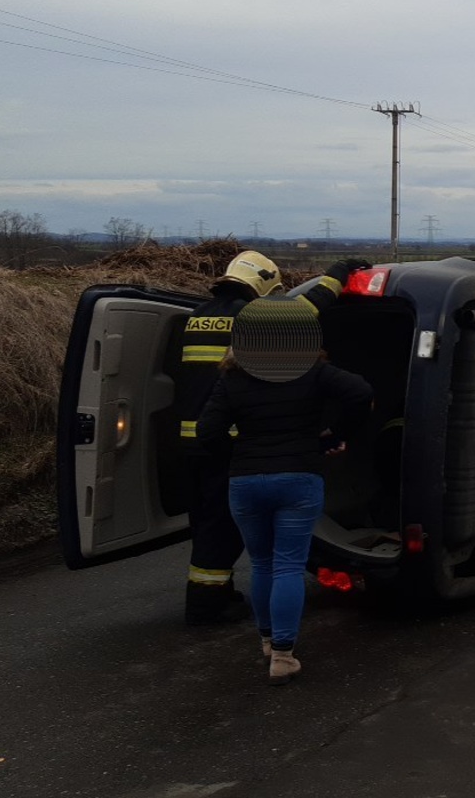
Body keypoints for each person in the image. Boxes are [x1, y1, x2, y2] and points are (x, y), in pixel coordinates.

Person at [176, 250, 369, 625]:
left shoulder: (198, 316)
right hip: (229, 440)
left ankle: (215, 592)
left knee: (205, 520)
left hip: (194, 439)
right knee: (223, 528)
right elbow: (310, 306)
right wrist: (340, 271)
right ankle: (204, 607)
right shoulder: (251, 319)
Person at [196, 295, 372, 685]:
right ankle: (283, 655)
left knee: (260, 563)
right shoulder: (312, 371)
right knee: (289, 564)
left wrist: (239, 455)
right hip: (298, 478)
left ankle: (265, 642)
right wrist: (333, 437)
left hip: (245, 482)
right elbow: (360, 392)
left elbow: (207, 432)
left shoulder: (232, 378)